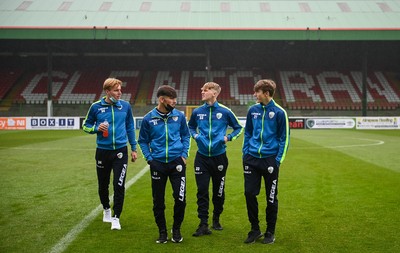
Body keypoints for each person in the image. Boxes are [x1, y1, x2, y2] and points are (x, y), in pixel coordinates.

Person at [188, 82, 244, 237]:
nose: (202, 91)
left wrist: (229, 137)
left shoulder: (225, 112)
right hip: (202, 157)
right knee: (202, 190)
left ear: (215, 93)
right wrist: (196, 136)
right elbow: (190, 127)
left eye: (205, 90)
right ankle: (203, 223)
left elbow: (239, 127)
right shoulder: (197, 111)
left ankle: (216, 218)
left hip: (219, 157)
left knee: (218, 191)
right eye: (202, 89)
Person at [82, 78, 138, 230]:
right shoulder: (96, 107)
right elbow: (85, 125)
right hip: (102, 152)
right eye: (116, 90)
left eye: (120, 90)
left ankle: (116, 217)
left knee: (118, 185)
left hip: (120, 151)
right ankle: (106, 209)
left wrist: (133, 148)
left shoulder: (125, 106)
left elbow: (130, 127)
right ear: (107, 91)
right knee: (103, 185)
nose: (120, 93)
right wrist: (95, 128)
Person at [138, 85, 190, 244]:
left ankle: (176, 230)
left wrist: (184, 154)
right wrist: (149, 159)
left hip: (177, 163)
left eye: (175, 98)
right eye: (171, 99)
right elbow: (143, 141)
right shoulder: (148, 118)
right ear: (162, 99)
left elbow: (186, 136)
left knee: (180, 198)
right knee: (158, 201)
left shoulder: (179, 117)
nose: (175, 102)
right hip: (158, 164)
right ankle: (162, 232)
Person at [242, 79, 290, 244]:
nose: (255, 94)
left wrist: (278, 161)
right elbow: (247, 133)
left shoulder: (279, 112)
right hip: (251, 159)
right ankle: (255, 229)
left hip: (270, 160)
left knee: (271, 198)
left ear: (266, 93)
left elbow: (285, 138)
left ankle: (270, 232)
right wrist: (245, 153)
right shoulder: (252, 110)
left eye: (257, 92)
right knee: (249, 193)